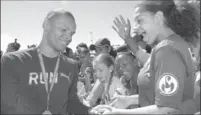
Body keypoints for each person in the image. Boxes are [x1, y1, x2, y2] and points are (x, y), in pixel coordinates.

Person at [91, 0, 200, 114]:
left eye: (140, 20)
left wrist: (117, 112)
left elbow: (167, 109)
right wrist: (128, 100)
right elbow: (163, 97)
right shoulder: (170, 45)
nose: (136, 28)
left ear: (158, 18)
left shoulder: (167, 50)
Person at [1, 8, 90, 114]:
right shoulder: (13, 61)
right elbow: (6, 108)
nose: (69, 37)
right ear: (46, 25)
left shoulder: (71, 65)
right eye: (64, 30)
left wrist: (91, 112)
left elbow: (71, 102)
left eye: (72, 33)